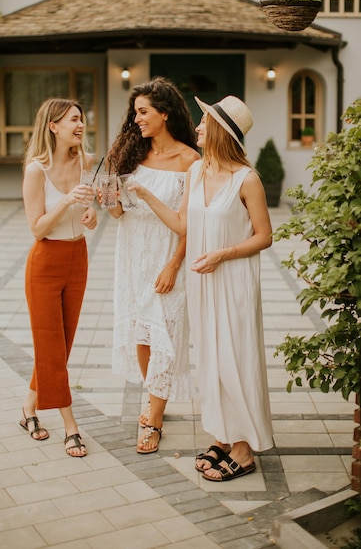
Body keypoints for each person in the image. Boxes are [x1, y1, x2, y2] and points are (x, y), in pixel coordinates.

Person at [129, 94, 274, 479]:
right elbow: (182, 226)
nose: (196, 127)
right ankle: (223, 436)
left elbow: (264, 236)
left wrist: (222, 254)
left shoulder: (248, 179)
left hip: (234, 281)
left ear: (221, 131)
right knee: (210, 360)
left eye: (204, 121)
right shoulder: (196, 173)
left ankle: (243, 452)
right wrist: (145, 194)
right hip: (201, 282)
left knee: (235, 358)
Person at [105, 76, 200, 454]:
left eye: (143, 112)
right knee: (142, 336)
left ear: (164, 113)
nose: (137, 119)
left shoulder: (190, 160)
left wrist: (174, 265)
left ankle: (153, 420)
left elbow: (193, 223)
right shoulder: (130, 155)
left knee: (166, 338)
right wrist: (107, 196)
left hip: (167, 255)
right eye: (135, 112)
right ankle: (154, 397)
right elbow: (116, 212)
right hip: (132, 253)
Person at [20, 97, 97, 458]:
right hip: (45, 262)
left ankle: (28, 409)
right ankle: (71, 426)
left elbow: (88, 210)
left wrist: (90, 215)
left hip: (77, 257)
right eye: (72, 120)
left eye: (81, 119)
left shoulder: (87, 162)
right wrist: (67, 201)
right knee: (49, 345)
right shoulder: (36, 169)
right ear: (53, 126)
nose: (80, 125)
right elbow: (36, 229)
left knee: (61, 346)